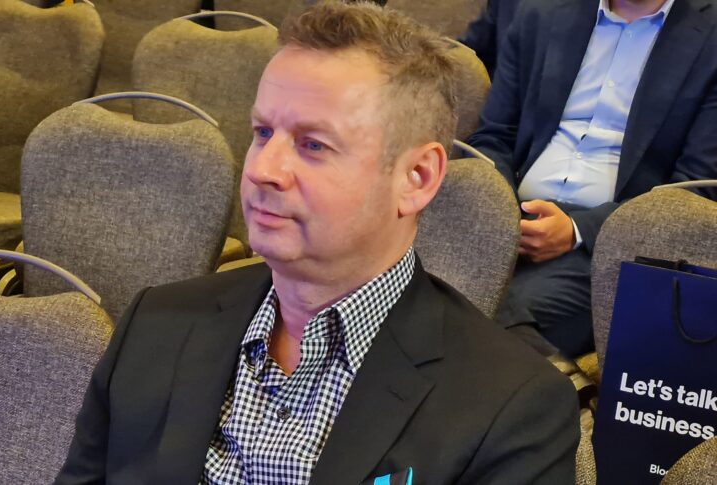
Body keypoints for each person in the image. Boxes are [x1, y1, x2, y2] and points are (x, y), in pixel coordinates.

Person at [55, 3, 579, 484]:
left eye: (313, 145)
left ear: (416, 178)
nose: (263, 169)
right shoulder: (156, 325)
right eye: (263, 132)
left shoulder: (510, 407)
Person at [467, 0, 717, 359]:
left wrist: (577, 230)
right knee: (413, 275)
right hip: (512, 211)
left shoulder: (710, 37)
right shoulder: (542, 12)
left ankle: (554, 381)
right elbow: (493, 136)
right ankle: (560, 377)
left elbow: (694, 188)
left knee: (476, 309)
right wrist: (499, 209)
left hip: (612, 240)